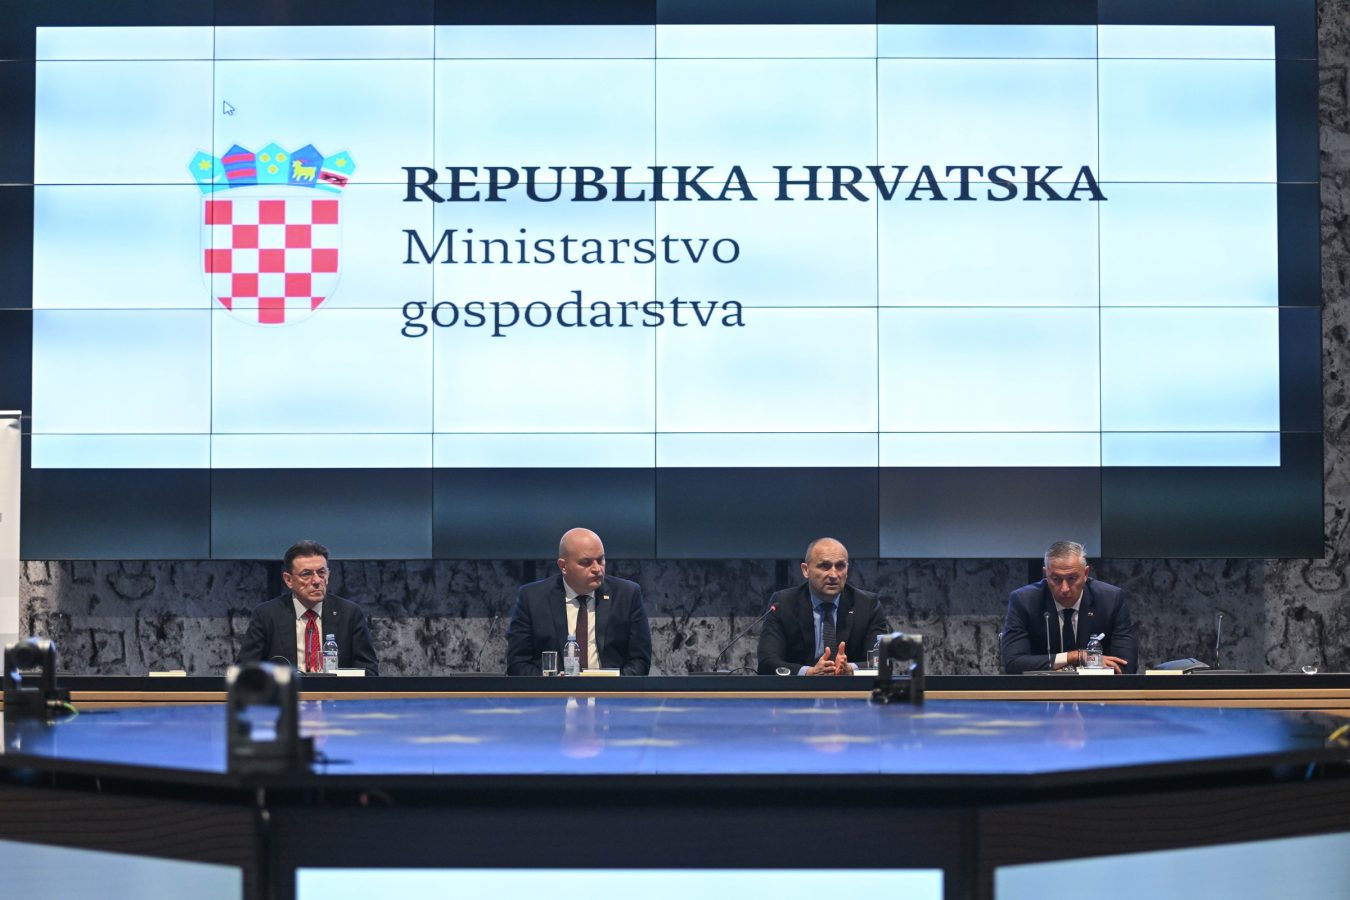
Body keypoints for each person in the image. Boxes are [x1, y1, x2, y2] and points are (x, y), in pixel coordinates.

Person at [505, 527, 652, 676]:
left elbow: (639, 660)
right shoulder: (532, 598)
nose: (597, 569)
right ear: (563, 566)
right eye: (586, 562)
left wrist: (613, 685)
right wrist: (550, 684)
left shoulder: (627, 595)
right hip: (553, 690)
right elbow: (518, 663)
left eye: (600, 560)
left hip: (611, 690)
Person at [238, 539, 379, 675]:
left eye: (321, 573)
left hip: (336, 691)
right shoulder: (267, 615)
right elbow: (245, 671)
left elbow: (368, 670)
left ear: (328, 575)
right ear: (288, 580)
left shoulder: (349, 614)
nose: (317, 581)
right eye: (307, 574)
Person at [1000, 540, 1137, 674]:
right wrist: (1076, 656)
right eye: (1056, 579)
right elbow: (1013, 663)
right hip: (1042, 688)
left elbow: (1126, 665)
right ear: (1046, 574)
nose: (1064, 588)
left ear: (1085, 574)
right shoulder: (1024, 601)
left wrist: (1071, 670)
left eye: (1072, 578)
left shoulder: (1110, 600)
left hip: (1095, 687)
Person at [756, 537, 889, 676]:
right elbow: (767, 663)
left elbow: (882, 664)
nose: (833, 575)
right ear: (805, 570)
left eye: (840, 566)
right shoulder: (783, 604)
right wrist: (808, 672)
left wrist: (850, 669)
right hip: (800, 688)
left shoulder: (867, 605)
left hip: (851, 687)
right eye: (825, 566)